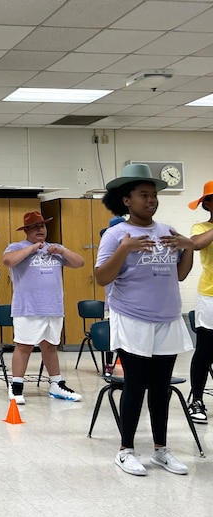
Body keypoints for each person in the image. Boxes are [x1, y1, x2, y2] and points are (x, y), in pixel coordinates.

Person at [96, 163, 195, 476]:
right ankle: (125, 450)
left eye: (153, 195)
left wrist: (189, 248)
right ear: (127, 200)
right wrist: (125, 248)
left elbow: (179, 274)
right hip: (132, 318)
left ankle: (161, 450)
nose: (151, 200)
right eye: (143, 195)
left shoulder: (167, 231)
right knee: (136, 385)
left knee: (161, 386)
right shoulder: (116, 235)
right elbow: (101, 278)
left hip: (167, 317)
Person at [2, 211, 85, 405]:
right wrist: (31, 250)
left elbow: (79, 263)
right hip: (28, 307)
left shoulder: (55, 248)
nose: (40, 230)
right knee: (24, 346)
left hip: (53, 307)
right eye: (35, 227)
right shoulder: (17, 247)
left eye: (43, 226)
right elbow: (7, 261)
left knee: (50, 346)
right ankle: (16, 386)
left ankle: (56, 384)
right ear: (27, 231)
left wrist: (62, 251)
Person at [186, 181, 213, 424]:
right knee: (205, 351)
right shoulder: (201, 227)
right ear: (206, 204)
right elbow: (195, 245)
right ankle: (196, 399)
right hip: (210, 296)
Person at [99, 215, 126, 377]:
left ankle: (130, 365)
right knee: (112, 335)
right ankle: (108, 364)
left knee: (127, 339)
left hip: (130, 305)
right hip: (112, 302)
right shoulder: (108, 254)